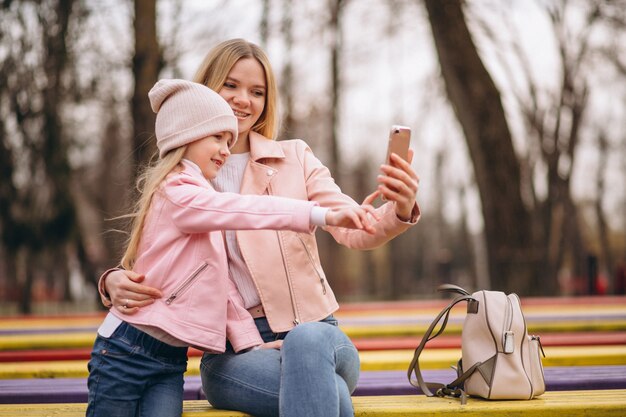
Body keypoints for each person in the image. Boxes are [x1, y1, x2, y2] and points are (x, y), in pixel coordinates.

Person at [99, 39, 420, 417]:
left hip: (320, 335)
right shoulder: (186, 178)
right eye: (230, 85)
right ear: (206, 90)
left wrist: (399, 207)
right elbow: (154, 255)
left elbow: (355, 226)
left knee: (308, 342)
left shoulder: (295, 157)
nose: (243, 100)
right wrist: (113, 280)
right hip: (236, 353)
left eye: (257, 92)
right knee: (327, 391)